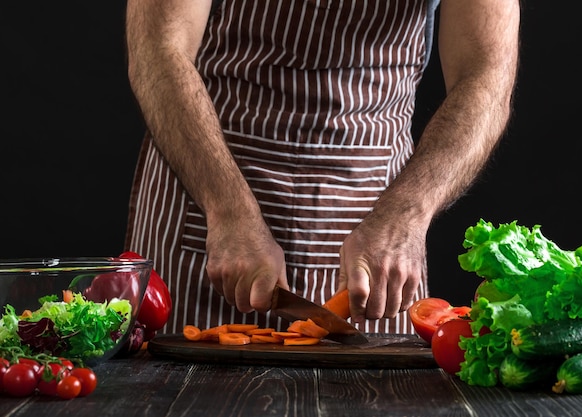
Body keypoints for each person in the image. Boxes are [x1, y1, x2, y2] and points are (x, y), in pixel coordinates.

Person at [124, 0, 520, 335]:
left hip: (375, 214)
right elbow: (158, 49)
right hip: (206, 194)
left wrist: (406, 215)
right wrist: (226, 210)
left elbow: (485, 73)